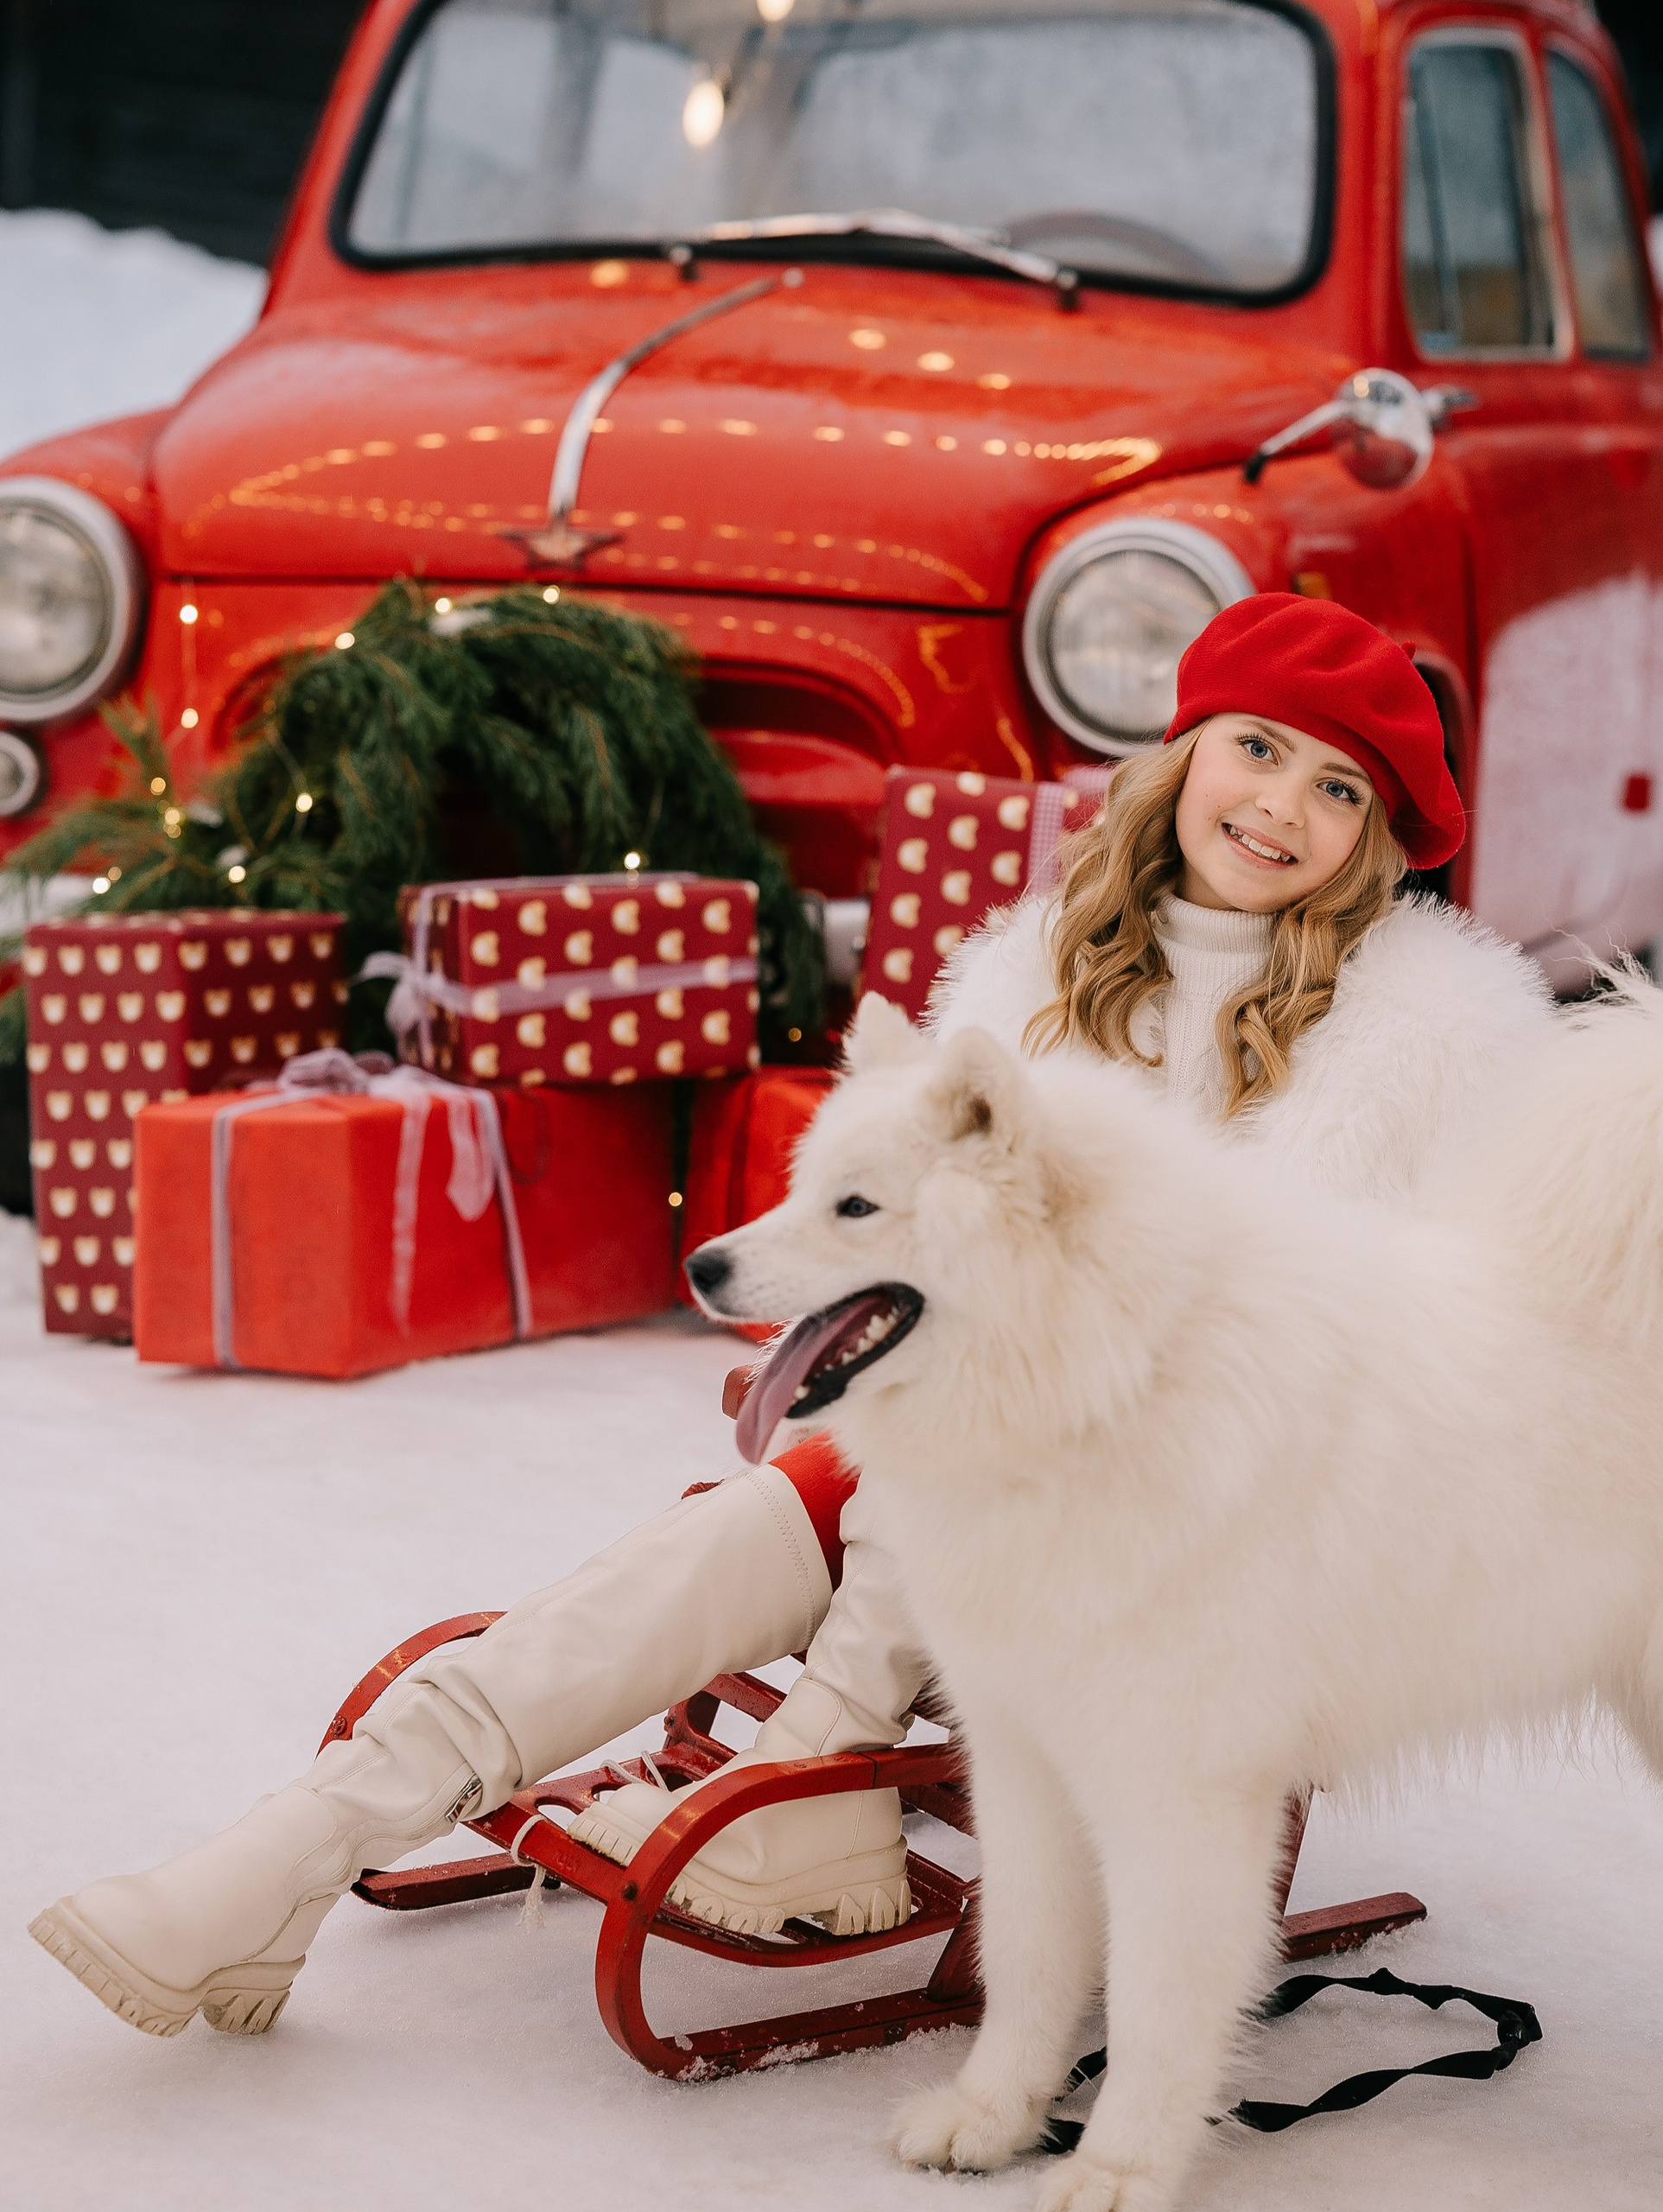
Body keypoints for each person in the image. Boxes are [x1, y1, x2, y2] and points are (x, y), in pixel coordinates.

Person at [32, 596, 1556, 2043]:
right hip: (966, 1477)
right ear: (1187, 754)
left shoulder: (1414, 1050)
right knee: (738, 1531)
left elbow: (1408, 1353)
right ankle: (298, 1850)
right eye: (1262, 748)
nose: (1285, 807)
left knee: (934, 1440)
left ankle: (808, 1765)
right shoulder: (1034, 981)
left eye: (1344, 790)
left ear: (1376, 846)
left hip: (1228, 1536)